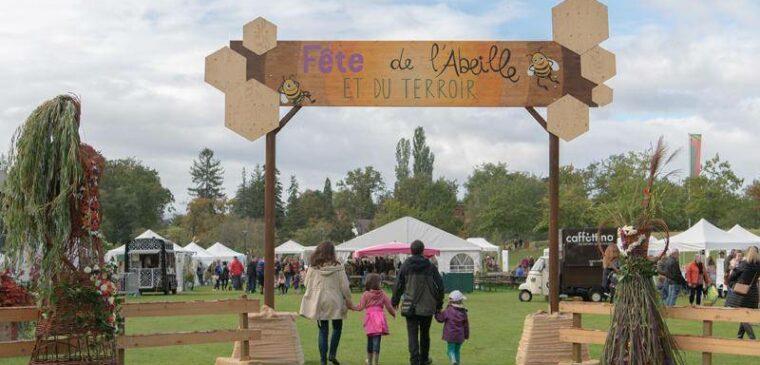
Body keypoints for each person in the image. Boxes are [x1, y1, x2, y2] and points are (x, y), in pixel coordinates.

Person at [299, 241, 353, 365]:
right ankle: (332, 354)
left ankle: (323, 360)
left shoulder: (313, 268)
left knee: (323, 331)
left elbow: (306, 284)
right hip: (335, 301)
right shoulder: (338, 267)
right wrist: (348, 299)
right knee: (337, 328)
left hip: (319, 301)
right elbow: (344, 286)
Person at [392, 240, 444, 365]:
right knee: (425, 334)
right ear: (423, 250)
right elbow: (440, 286)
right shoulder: (430, 267)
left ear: (411, 250)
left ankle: (414, 360)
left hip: (410, 306)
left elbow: (398, 284)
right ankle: (424, 359)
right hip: (427, 306)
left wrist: (395, 301)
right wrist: (439, 305)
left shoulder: (406, 265)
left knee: (412, 334)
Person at [351, 273, 396, 365]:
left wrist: (351, 307)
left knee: (370, 340)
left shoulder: (366, 294)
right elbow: (389, 306)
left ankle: (369, 360)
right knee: (377, 340)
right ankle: (376, 362)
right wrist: (393, 314)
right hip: (379, 319)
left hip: (370, 319)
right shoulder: (383, 294)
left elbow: (360, 307)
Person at [725, 247, 760, 339]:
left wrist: (734, 284)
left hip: (742, 293)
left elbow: (732, 277)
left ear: (748, 253)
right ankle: (739, 335)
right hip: (753, 293)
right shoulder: (759, 265)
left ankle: (752, 337)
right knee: (745, 314)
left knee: (742, 315)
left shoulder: (744, 264)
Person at [435, 290, 469, 365]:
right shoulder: (463, 312)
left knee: (450, 351)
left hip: (450, 336)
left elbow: (440, 319)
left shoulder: (448, 310)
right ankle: (457, 363)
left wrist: (437, 312)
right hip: (460, 336)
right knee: (457, 351)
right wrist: (466, 335)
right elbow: (466, 325)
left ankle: (453, 361)